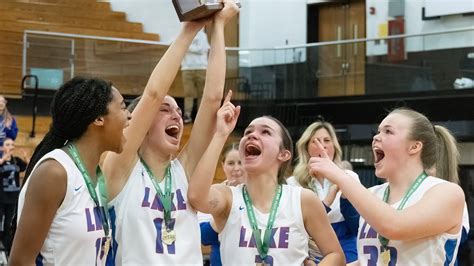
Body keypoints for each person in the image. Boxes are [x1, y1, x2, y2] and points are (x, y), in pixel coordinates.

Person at [102, 2, 240, 265]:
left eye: (178, 110)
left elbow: (212, 99)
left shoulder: (184, 170)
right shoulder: (120, 168)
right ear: (139, 124)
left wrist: (219, 26)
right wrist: (191, 28)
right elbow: (153, 93)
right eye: (165, 109)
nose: (176, 115)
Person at [187, 98, 346, 265]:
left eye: (265, 132)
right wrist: (220, 134)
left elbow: (335, 255)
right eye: (248, 132)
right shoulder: (228, 197)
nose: (252, 135)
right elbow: (197, 196)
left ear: (283, 154)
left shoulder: (302, 200)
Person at [308, 107, 466, 265]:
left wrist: (341, 176)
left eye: (388, 131)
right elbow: (368, 260)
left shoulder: (447, 192)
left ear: (415, 146)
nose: (376, 137)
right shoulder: (372, 194)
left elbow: (394, 226)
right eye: (378, 131)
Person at [9, 76, 131, 265]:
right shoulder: (55, 172)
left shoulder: (94, 176)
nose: (129, 116)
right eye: (123, 107)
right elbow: (20, 261)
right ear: (98, 118)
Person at [287, 121, 360, 264]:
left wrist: (345, 196)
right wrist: (328, 200)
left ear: (334, 146)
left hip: (346, 246)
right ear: (306, 147)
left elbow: (356, 227)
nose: (323, 146)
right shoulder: (293, 183)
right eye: (316, 141)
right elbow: (296, 227)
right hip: (309, 249)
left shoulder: (349, 177)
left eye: (327, 140)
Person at [200, 142, 247, 266]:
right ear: (223, 165)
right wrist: (225, 211)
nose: (236, 168)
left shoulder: (260, 194)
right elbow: (204, 237)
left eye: (241, 162)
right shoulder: (212, 193)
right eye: (231, 163)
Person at [0, 138, 27, 255]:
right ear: (2, 148)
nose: (11, 146)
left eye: (12, 144)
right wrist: (3, 159)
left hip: (13, 199)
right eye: (7, 144)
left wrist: (26, 159)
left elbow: (27, 166)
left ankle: (6, 250)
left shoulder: (16, 161)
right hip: (1, 198)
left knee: (8, 225)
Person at [181, 28, 210, 123]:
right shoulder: (185, 32)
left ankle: (200, 117)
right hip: (186, 68)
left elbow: (201, 49)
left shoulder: (202, 35)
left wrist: (187, 47)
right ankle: (187, 115)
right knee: (188, 93)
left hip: (201, 68)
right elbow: (177, 45)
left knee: (202, 93)